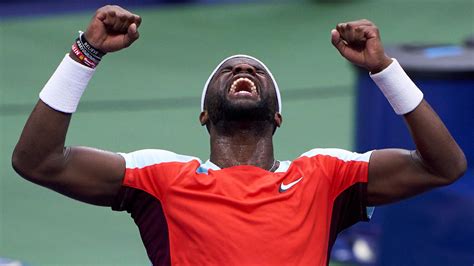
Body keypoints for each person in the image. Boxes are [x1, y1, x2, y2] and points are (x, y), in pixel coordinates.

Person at [12, 5, 466, 266]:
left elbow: (444, 165)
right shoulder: (158, 176)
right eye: (228, 70)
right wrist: (85, 53)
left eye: (255, 70)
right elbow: (38, 160)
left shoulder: (326, 176)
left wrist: (385, 70)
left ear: (278, 118)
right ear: (205, 114)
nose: (243, 68)